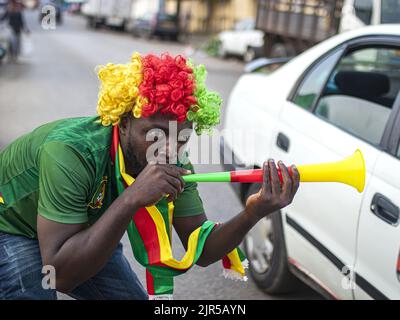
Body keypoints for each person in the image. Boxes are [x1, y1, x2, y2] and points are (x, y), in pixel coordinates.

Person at [0, 52, 300, 300]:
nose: (167, 150)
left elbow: (204, 250)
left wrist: (254, 212)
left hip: (79, 231)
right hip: (12, 226)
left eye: (180, 138)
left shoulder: (172, 157)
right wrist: (132, 198)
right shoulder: (70, 151)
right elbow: (61, 274)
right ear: (125, 122)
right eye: (153, 134)